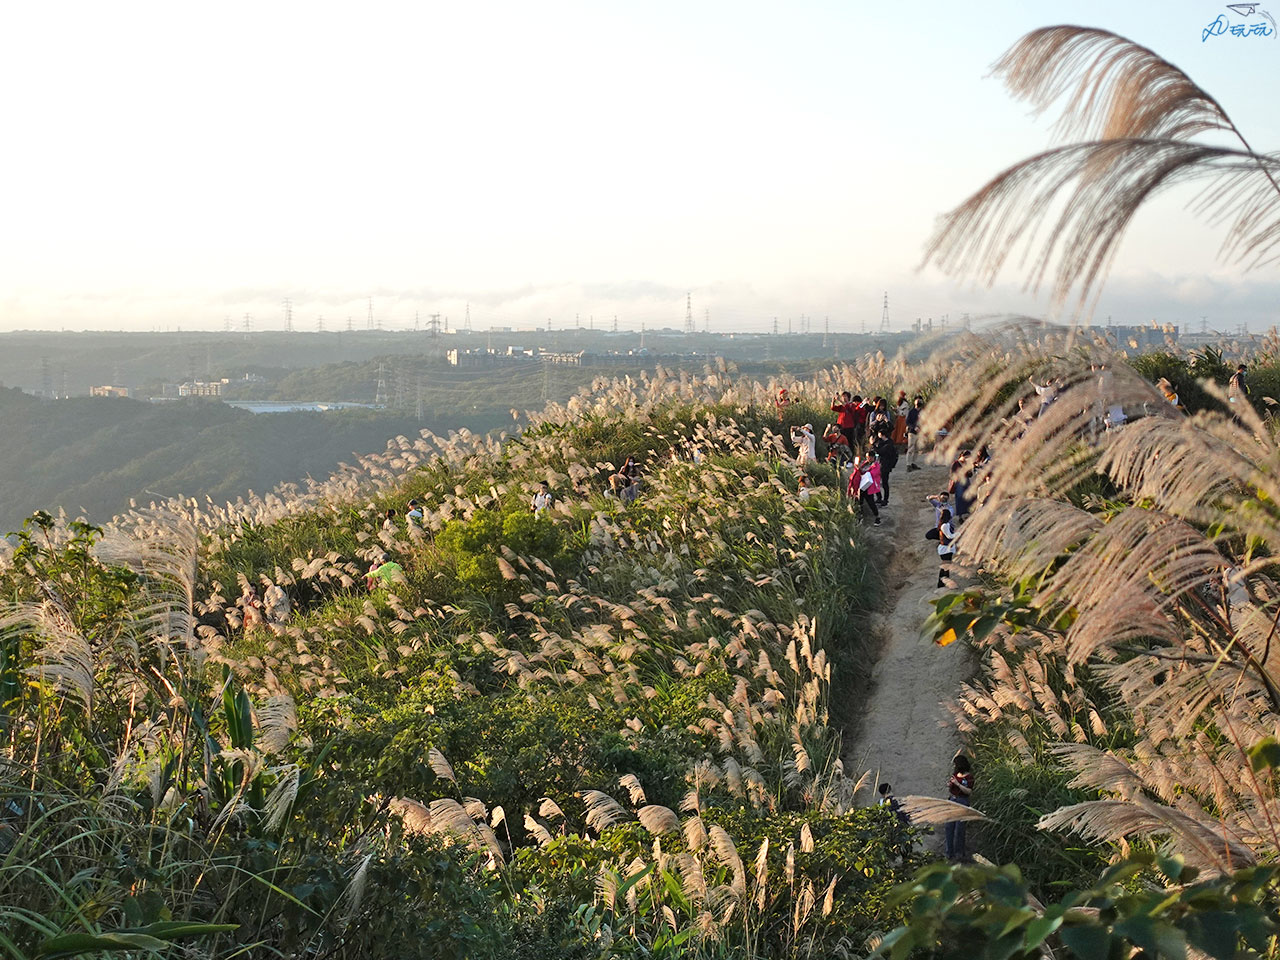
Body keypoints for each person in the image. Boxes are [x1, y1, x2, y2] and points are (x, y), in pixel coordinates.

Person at [945, 754, 975, 861]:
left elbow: (968, 791)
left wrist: (957, 784)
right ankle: (949, 853)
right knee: (949, 827)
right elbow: (951, 787)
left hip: (962, 801)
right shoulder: (955, 774)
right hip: (952, 800)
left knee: (959, 829)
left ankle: (959, 853)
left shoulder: (969, 777)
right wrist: (950, 785)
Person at [847, 457, 881, 525]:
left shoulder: (876, 465)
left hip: (868, 486)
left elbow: (873, 474)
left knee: (871, 502)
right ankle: (860, 517)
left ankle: (877, 517)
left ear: (872, 457)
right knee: (860, 502)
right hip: (862, 486)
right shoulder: (865, 463)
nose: (868, 459)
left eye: (869, 457)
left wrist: (861, 471)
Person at [873, 428, 898, 506]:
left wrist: (873, 445)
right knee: (876, 481)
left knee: (884, 483)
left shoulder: (889, 444)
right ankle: (879, 497)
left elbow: (880, 451)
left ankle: (885, 499)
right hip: (880, 464)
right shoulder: (881, 442)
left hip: (886, 465)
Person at [937, 508, 955, 588]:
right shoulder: (945, 525)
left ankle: (943, 583)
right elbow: (949, 536)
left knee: (946, 566)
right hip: (946, 549)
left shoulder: (943, 524)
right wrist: (959, 534)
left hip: (945, 548)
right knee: (946, 566)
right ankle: (943, 583)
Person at [905, 396, 924, 471]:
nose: (918, 401)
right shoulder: (911, 412)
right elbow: (907, 422)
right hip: (912, 432)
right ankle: (908, 464)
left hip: (920, 433)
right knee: (911, 448)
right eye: (917, 400)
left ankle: (913, 463)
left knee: (917, 449)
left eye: (920, 400)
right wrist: (914, 427)